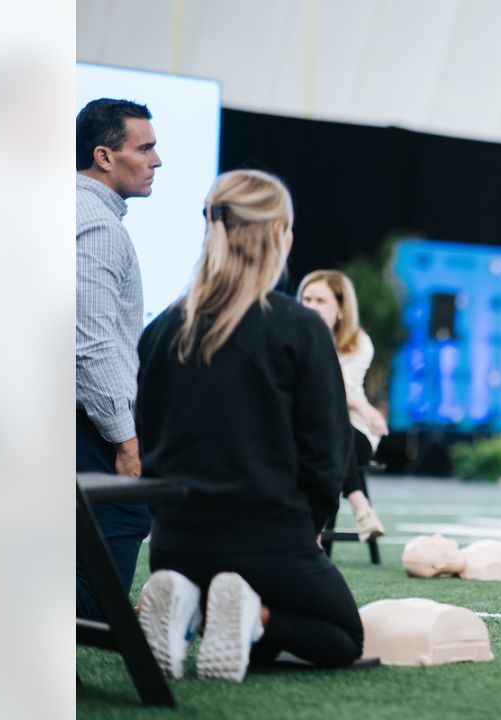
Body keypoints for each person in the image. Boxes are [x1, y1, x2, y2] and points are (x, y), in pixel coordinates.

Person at [134, 169, 362, 681]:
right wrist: (307, 534)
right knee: (343, 637)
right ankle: (246, 614)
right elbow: (326, 455)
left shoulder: (161, 330)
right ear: (278, 234)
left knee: (238, 617)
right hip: (269, 541)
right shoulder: (300, 328)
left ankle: (187, 605)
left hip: (175, 543)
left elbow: (146, 441)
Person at [75, 98, 161, 621]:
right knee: (104, 592)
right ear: (104, 156)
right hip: (87, 424)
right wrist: (127, 441)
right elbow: (90, 343)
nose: (157, 160)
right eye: (145, 148)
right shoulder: (98, 227)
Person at [298, 269, 388, 541]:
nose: (311, 306)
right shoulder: (295, 337)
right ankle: (360, 505)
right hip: (311, 430)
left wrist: (360, 409)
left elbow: (335, 390)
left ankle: (318, 531)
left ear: (340, 307)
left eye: (320, 301)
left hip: (354, 431)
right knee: (325, 434)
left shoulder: (358, 343)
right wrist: (363, 406)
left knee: (335, 432)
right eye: (307, 299)